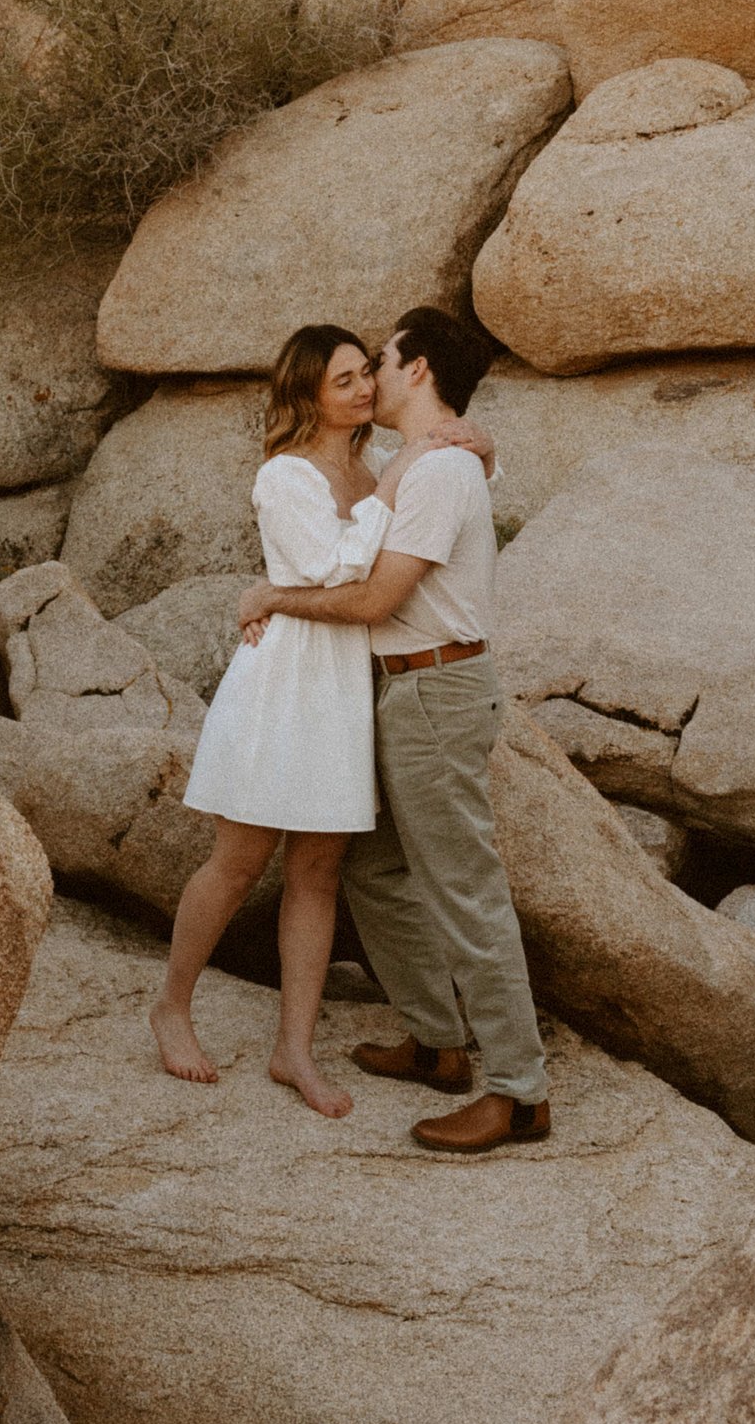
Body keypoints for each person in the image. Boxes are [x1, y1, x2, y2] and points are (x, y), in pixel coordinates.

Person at [235, 303, 550, 1159]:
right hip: (400, 689)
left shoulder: (439, 473)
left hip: (437, 690)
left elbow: (376, 600)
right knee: (374, 866)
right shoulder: (421, 462)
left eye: (382, 359)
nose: (369, 375)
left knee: (462, 885)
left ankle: (520, 1093)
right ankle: (438, 1040)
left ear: (418, 371)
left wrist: (272, 597)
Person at [149, 324, 389, 1117]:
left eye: (366, 375)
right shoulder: (287, 475)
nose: (362, 389)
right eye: (344, 380)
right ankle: (172, 1007)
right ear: (309, 393)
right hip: (287, 676)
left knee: (317, 871)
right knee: (240, 858)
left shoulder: (367, 466)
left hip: (344, 681)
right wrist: (397, 495)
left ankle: (294, 1049)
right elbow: (333, 566)